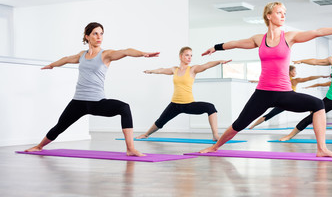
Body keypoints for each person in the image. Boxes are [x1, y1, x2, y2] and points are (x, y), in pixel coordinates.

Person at [199, 1, 332, 157]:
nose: (283, 16)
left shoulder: (289, 37)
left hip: (285, 93)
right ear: (269, 16)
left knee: (318, 104)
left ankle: (322, 148)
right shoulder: (259, 39)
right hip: (263, 93)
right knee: (239, 124)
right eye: (279, 12)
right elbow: (235, 43)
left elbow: (317, 32)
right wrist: (215, 47)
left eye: (284, 13)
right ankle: (215, 147)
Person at [25, 22, 160, 156]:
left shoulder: (106, 54)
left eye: (101, 34)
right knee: (60, 126)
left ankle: (130, 149)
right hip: (78, 102)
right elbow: (66, 59)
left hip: (97, 102)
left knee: (124, 108)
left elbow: (125, 51)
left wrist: (143, 53)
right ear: (87, 36)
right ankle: (39, 146)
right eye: (95, 33)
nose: (99, 37)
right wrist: (51, 65)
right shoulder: (81, 55)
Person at [136, 47, 231, 141]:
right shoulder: (175, 70)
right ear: (181, 56)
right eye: (187, 55)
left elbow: (206, 65)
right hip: (175, 104)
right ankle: (146, 134)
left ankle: (215, 135)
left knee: (210, 107)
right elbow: (162, 70)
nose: (190, 57)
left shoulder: (193, 69)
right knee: (160, 121)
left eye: (191, 55)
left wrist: (219, 61)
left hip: (188, 104)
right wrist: (151, 71)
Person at [248, 66, 329, 129]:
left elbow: (268, 82)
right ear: (289, 72)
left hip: (281, 102)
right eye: (294, 71)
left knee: (269, 115)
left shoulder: (281, 80)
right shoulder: (294, 81)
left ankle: (252, 126)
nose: (295, 73)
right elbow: (308, 78)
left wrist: (256, 81)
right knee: (314, 107)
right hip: (291, 101)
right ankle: (317, 125)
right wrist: (321, 76)